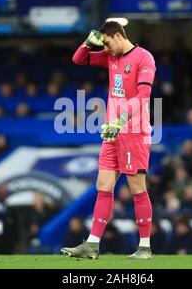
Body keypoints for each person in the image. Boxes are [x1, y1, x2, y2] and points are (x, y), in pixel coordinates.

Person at [61, 21, 156, 260]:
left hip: (134, 131)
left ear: (118, 36)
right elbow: (78, 60)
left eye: (107, 42)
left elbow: (144, 96)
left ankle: (144, 247)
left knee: (137, 188)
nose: (105, 48)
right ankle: (92, 244)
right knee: (103, 185)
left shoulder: (144, 58)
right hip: (112, 133)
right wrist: (87, 42)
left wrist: (121, 119)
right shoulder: (110, 56)